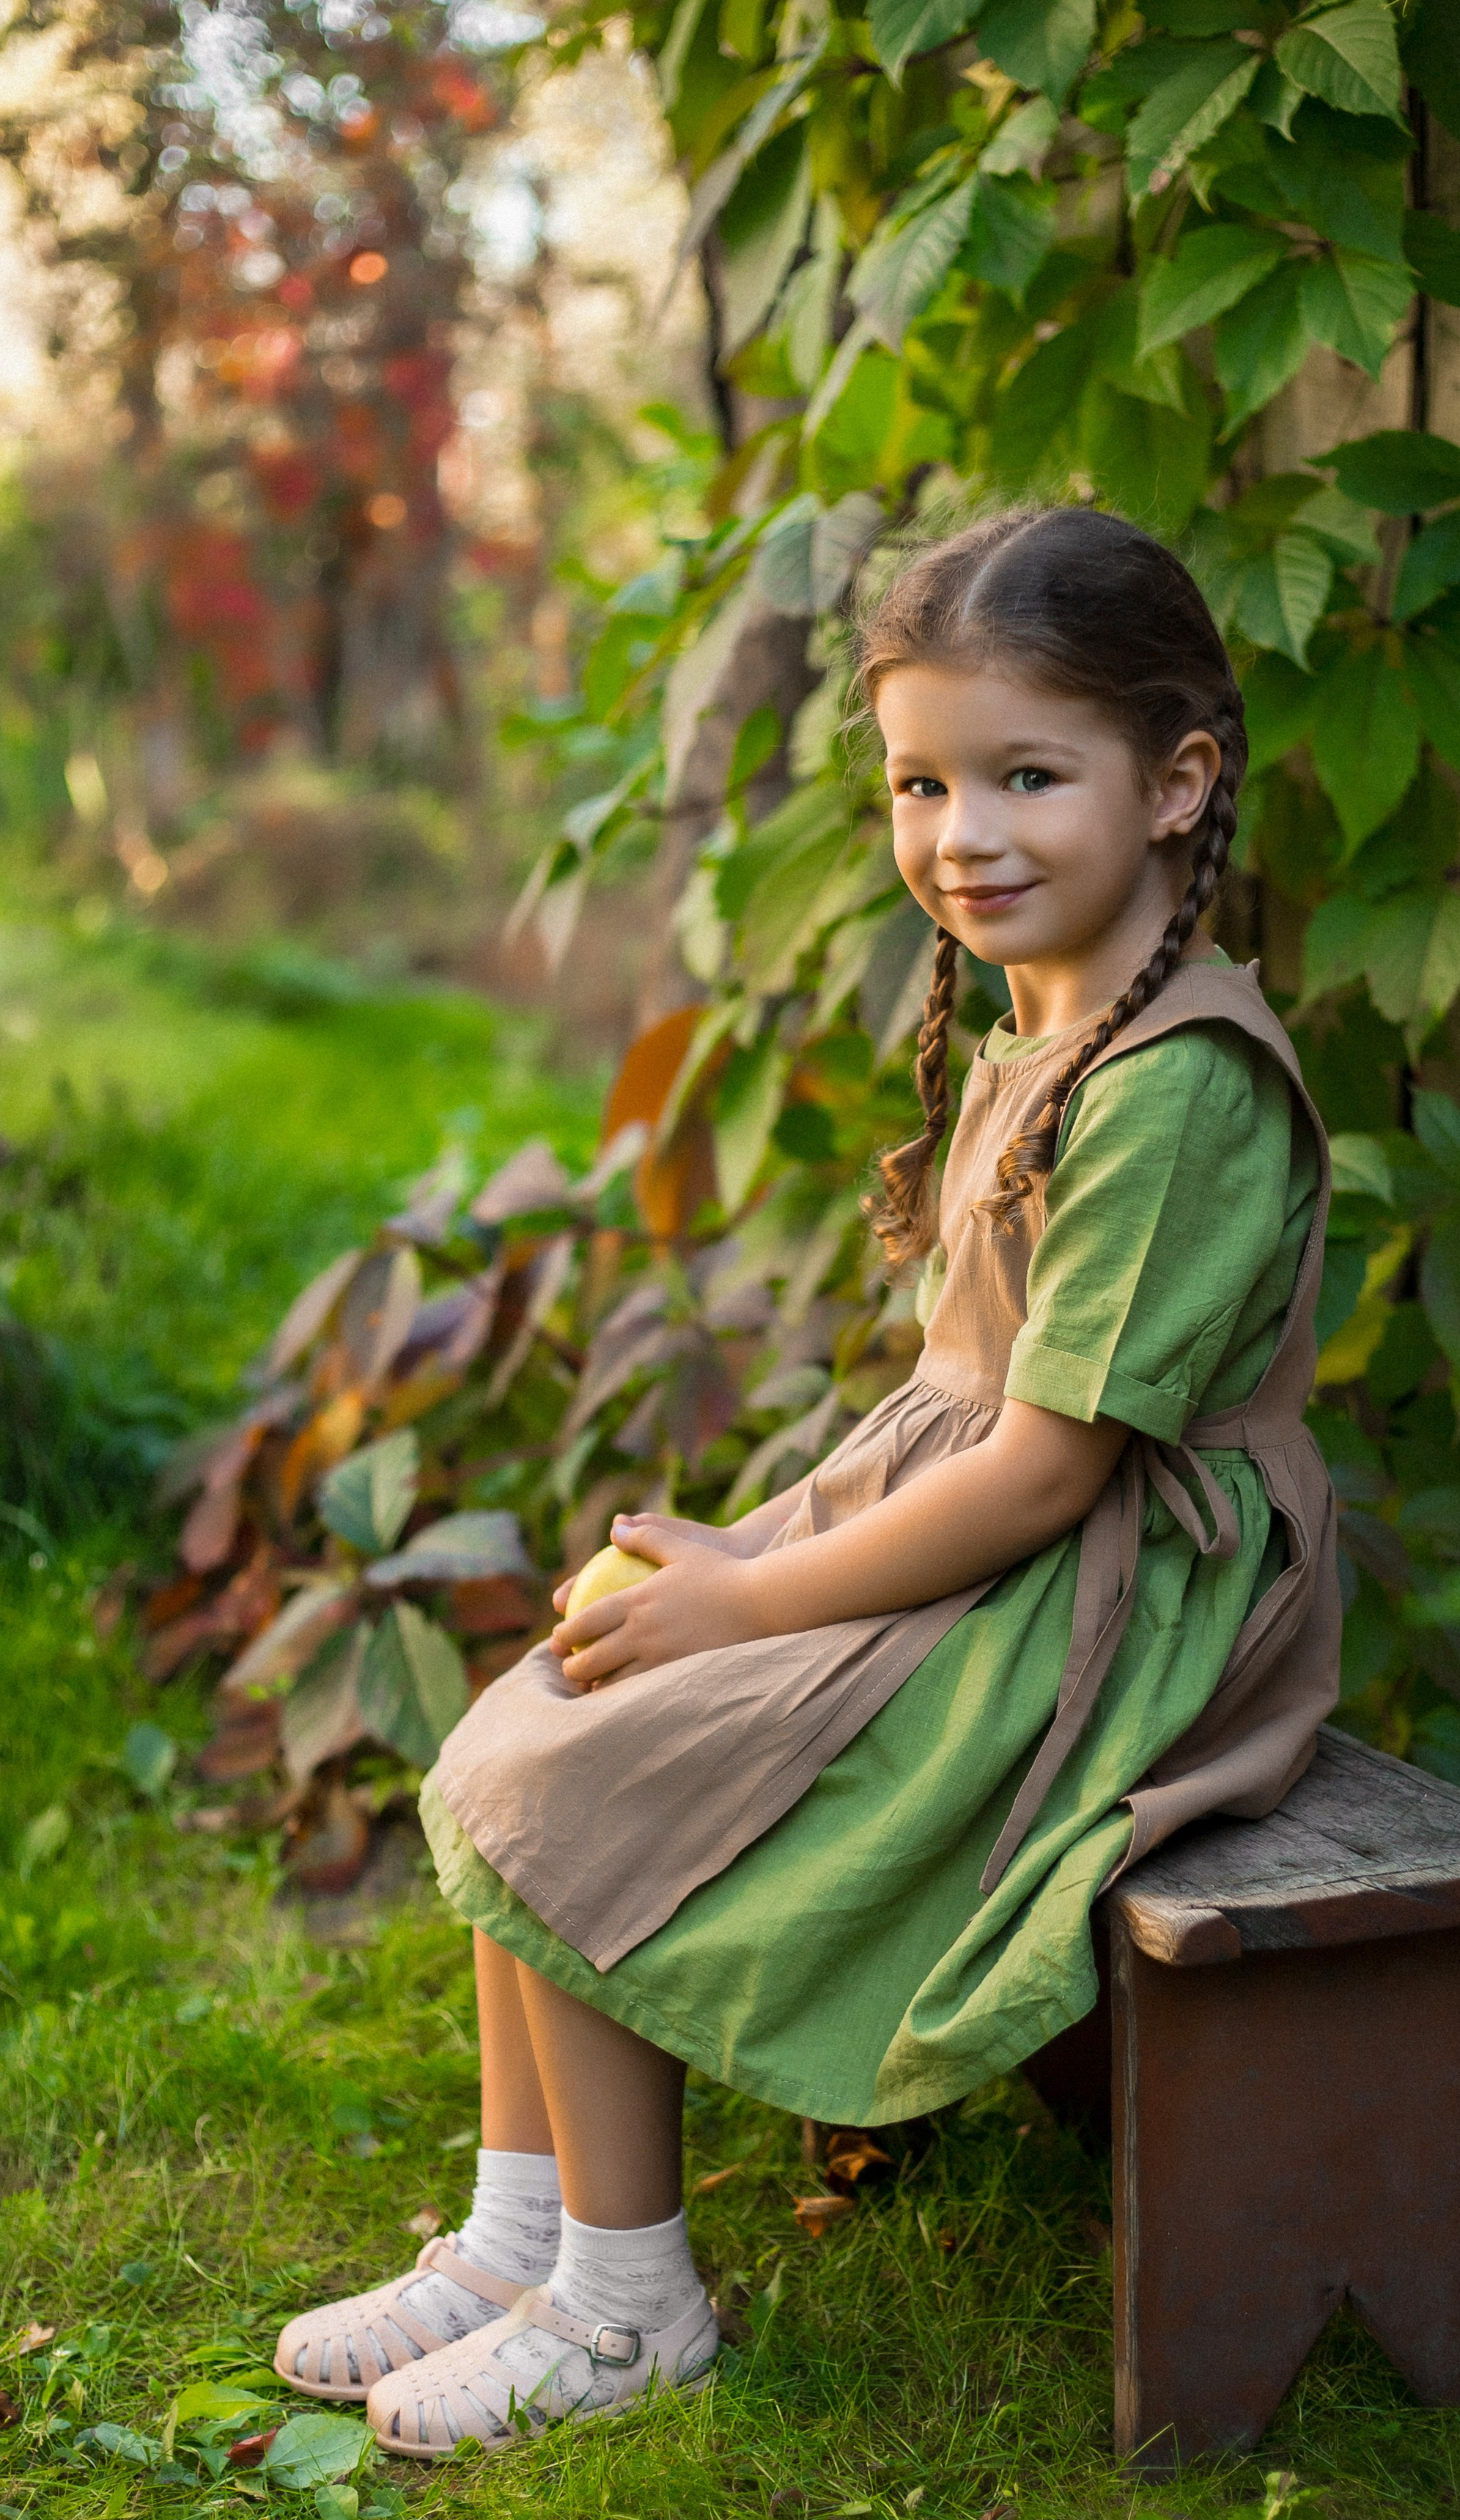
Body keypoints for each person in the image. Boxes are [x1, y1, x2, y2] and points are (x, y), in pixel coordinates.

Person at [274, 505, 1341, 2459]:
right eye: (923, 781)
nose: (965, 834)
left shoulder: (1179, 1087)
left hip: (1109, 1608)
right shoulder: (1059, 1019)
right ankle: (520, 2239)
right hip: (993, 1532)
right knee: (566, 1688)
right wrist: (743, 1557)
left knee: (606, 1768)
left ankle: (628, 2307)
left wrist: (755, 1601)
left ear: (1179, 783)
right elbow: (970, 1424)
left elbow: (1046, 1473)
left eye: (1029, 776)